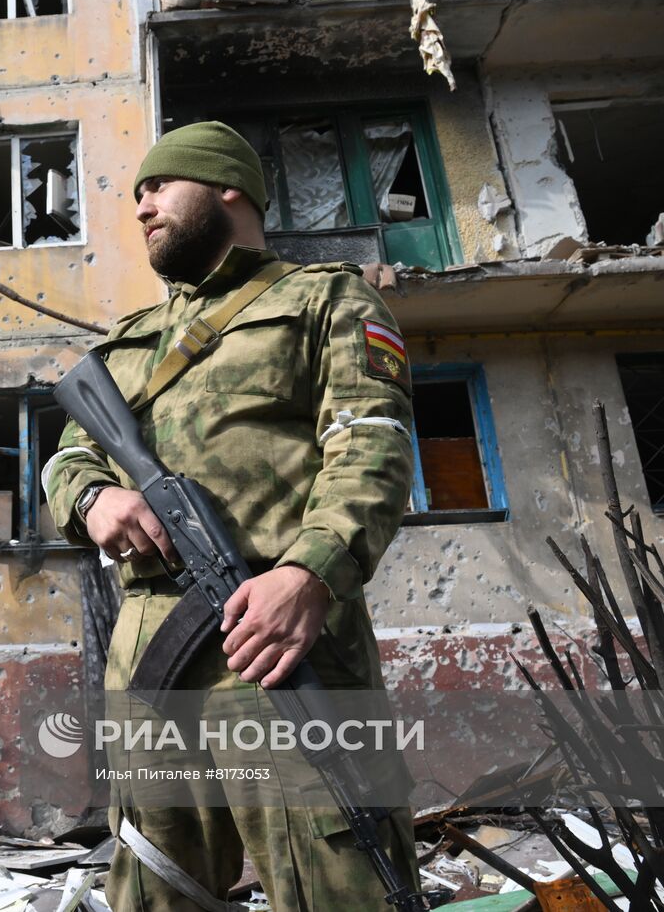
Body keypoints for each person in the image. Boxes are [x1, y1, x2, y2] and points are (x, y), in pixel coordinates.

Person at [43, 121, 418, 911]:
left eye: (159, 186)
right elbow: (66, 458)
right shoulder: (127, 347)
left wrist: (310, 571)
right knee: (155, 882)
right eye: (137, 194)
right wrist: (91, 498)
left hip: (283, 640)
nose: (141, 206)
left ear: (228, 188)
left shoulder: (326, 300)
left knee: (342, 879)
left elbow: (372, 450)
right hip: (151, 658)